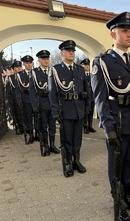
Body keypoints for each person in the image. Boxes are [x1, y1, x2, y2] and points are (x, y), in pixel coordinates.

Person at [91, 11, 130, 221]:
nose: (129, 35)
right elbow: (100, 99)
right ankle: (117, 205)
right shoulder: (103, 62)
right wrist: (108, 128)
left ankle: (127, 196)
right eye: (124, 31)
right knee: (115, 166)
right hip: (117, 123)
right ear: (112, 34)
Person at [48, 40, 89, 177]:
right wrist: (55, 111)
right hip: (65, 110)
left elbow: (86, 90)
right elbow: (52, 93)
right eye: (69, 50)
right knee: (67, 139)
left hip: (79, 110)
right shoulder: (56, 70)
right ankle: (67, 163)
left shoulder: (80, 69)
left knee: (78, 138)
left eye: (73, 50)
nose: (72, 52)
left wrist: (87, 107)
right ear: (62, 53)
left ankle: (76, 161)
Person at [30, 50, 60, 156]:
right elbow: (32, 91)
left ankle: (52, 145)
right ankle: (45, 146)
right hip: (42, 104)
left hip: (52, 105)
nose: (46, 61)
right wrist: (34, 105)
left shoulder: (54, 71)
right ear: (39, 60)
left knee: (52, 126)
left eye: (47, 58)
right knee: (43, 127)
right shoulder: (34, 73)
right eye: (43, 59)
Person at [14, 55, 36, 144]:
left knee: (38, 118)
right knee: (28, 118)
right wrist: (19, 100)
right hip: (26, 100)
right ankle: (31, 135)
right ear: (24, 64)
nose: (29, 65)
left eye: (30, 63)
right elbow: (17, 90)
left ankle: (38, 134)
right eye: (27, 63)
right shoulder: (19, 75)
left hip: (36, 100)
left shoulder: (36, 73)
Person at [80, 58, 96, 134]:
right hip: (84, 97)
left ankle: (90, 126)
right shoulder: (80, 75)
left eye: (88, 65)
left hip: (92, 97)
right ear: (82, 65)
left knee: (91, 112)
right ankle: (85, 127)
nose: (87, 66)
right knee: (85, 112)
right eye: (85, 65)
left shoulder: (92, 75)